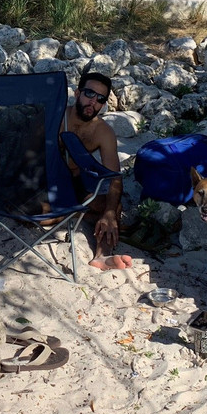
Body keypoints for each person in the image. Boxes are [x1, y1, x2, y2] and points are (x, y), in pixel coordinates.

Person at [62, 72, 130, 270]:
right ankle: (77, 215)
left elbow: (114, 177)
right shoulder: (57, 117)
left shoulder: (103, 132)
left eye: (100, 99)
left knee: (113, 207)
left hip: (76, 185)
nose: (93, 102)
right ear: (77, 93)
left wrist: (109, 212)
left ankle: (102, 256)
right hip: (47, 182)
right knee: (37, 215)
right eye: (89, 94)